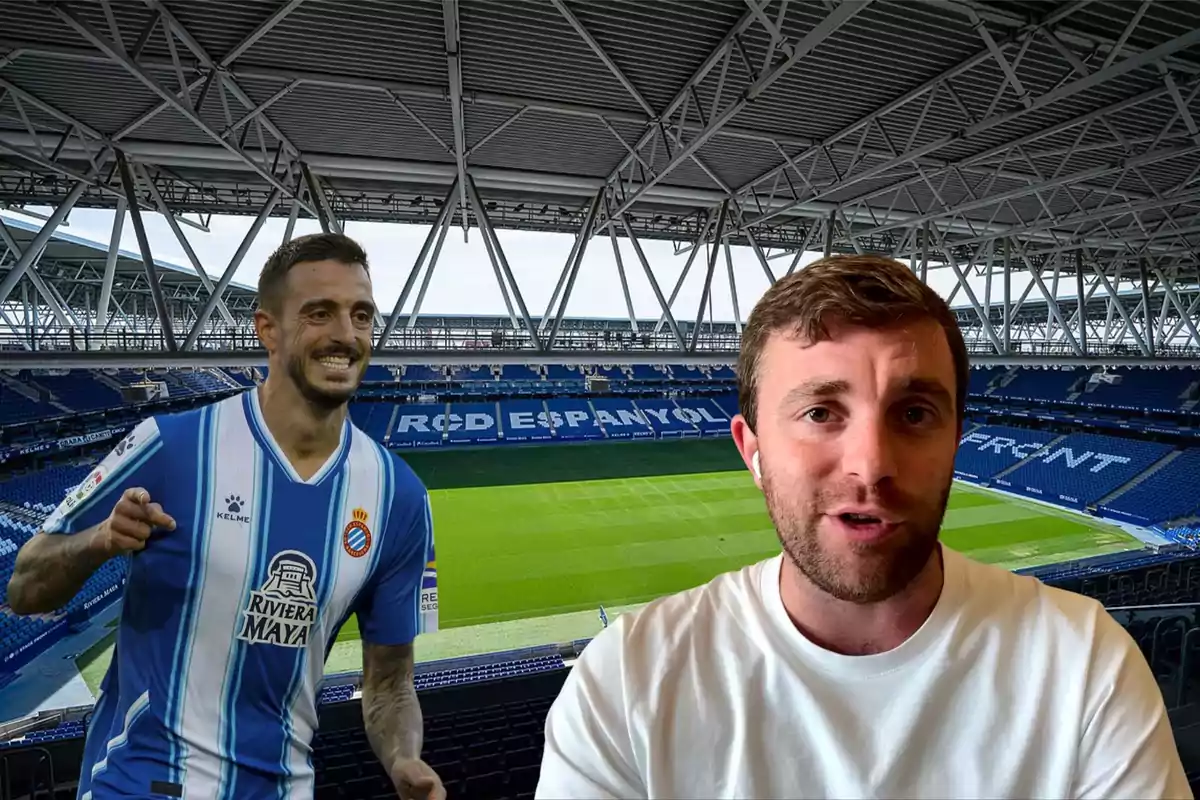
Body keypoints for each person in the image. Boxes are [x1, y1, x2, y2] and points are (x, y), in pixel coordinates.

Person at [535, 254, 1191, 799]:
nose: (871, 465)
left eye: (912, 414)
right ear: (752, 448)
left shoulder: (1083, 666)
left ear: (958, 437)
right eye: (821, 412)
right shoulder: (626, 683)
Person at [7, 232, 446, 800]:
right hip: (141, 782)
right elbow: (23, 588)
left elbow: (389, 684)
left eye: (361, 315)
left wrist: (404, 758)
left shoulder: (401, 497)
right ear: (267, 329)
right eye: (320, 313)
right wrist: (98, 540)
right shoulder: (169, 445)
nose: (345, 334)